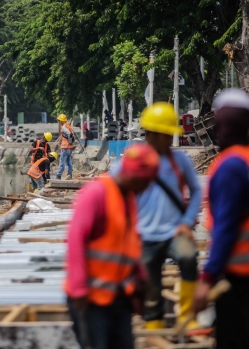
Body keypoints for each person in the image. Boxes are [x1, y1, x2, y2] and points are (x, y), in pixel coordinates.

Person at [194, 89, 249, 349]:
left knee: (231, 340)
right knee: (248, 336)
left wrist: (207, 279)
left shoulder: (230, 166)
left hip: (236, 275)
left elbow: (226, 230)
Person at [112, 102, 201, 329]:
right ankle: (154, 325)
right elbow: (111, 187)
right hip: (144, 235)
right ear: (151, 134)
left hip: (174, 231)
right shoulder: (133, 160)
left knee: (189, 258)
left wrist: (187, 222)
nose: (170, 139)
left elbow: (197, 190)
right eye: (165, 134)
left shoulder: (179, 161)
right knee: (151, 285)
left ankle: (187, 316)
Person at [65, 143, 160, 349]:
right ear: (134, 176)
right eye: (146, 183)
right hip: (91, 298)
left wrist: (140, 277)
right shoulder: (97, 194)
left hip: (118, 296)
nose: (147, 189)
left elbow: (129, 245)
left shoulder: (129, 199)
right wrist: (78, 288)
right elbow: (75, 239)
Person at [57, 114, 75, 180]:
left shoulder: (64, 127)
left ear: (62, 121)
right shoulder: (68, 126)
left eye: (59, 121)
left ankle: (59, 175)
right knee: (69, 161)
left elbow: (69, 135)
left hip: (65, 147)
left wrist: (69, 142)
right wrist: (71, 143)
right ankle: (69, 174)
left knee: (62, 162)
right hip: (69, 148)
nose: (59, 122)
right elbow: (71, 135)